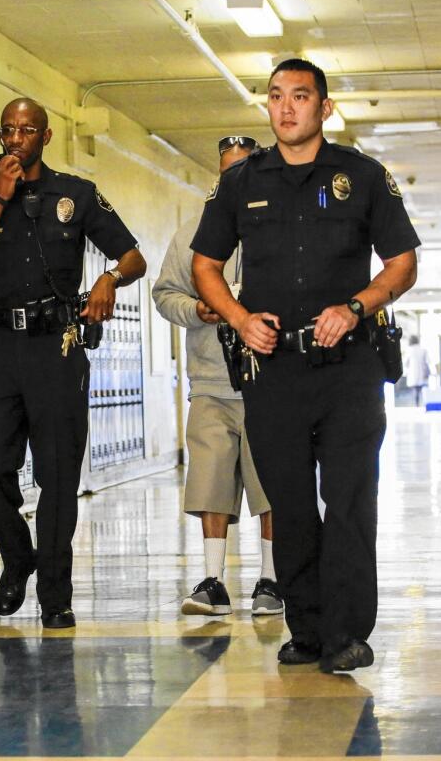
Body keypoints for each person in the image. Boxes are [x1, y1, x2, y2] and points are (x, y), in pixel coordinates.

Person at [191, 58, 419, 673]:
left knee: (347, 501)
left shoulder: (362, 176)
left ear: (324, 107)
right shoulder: (240, 183)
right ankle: (307, 628)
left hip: (349, 368)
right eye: (275, 97)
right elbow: (204, 267)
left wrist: (356, 305)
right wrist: (239, 318)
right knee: (288, 504)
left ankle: (347, 632)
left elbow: (402, 263)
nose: (286, 107)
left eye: (300, 96)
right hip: (273, 370)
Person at [0, 98, 146, 629]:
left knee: (58, 475)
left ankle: (55, 595)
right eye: (8, 129)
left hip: (57, 345)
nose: (16, 139)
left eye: (27, 130)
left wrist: (108, 279)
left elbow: (133, 256)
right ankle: (17, 558)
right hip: (0, 348)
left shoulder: (76, 194)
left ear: (45, 136)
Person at [152, 135, 283, 618]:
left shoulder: (281, 228)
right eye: (228, 171)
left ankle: (271, 580)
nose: (236, 179)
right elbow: (164, 293)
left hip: (271, 381)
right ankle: (213, 581)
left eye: (244, 170)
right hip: (211, 380)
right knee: (209, 479)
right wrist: (198, 310)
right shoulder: (193, 233)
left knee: (272, 482)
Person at [403, 335, 431, 405]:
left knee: (415, 389)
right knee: (421, 388)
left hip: (412, 373)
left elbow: (405, 363)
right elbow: (428, 361)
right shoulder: (423, 350)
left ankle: (417, 403)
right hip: (422, 372)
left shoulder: (409, 350)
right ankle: (423, 402)